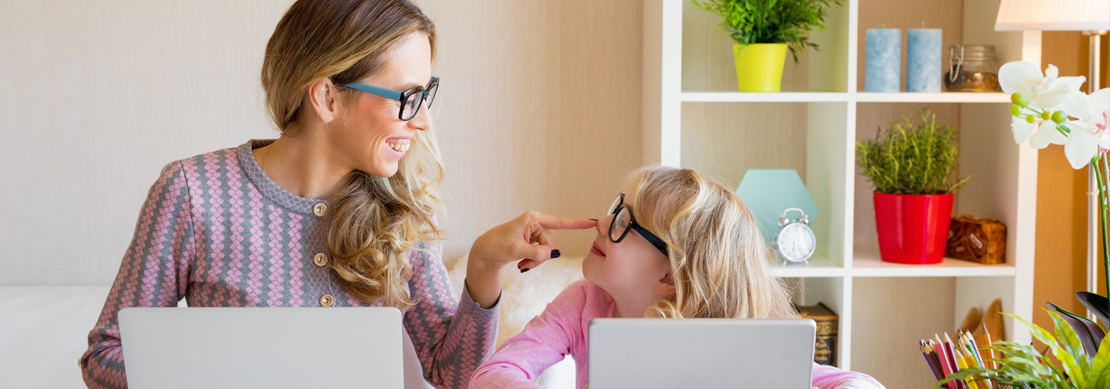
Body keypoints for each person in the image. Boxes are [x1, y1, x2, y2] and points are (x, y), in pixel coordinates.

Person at [78, 1, 594, 388]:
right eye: (409, 97)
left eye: (427, 94)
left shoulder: (401, 213)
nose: (425, 120)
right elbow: (105, 354)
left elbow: (451, 374)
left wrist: (483, 269)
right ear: (326, 96)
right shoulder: (193, 194)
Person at [469, 166, 885, 389]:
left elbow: (855, 381)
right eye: (615, 207)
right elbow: (494, 373)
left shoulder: (727, 332)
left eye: (624, 222)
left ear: (670, 276)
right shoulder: (583, 303)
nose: (602, 222)